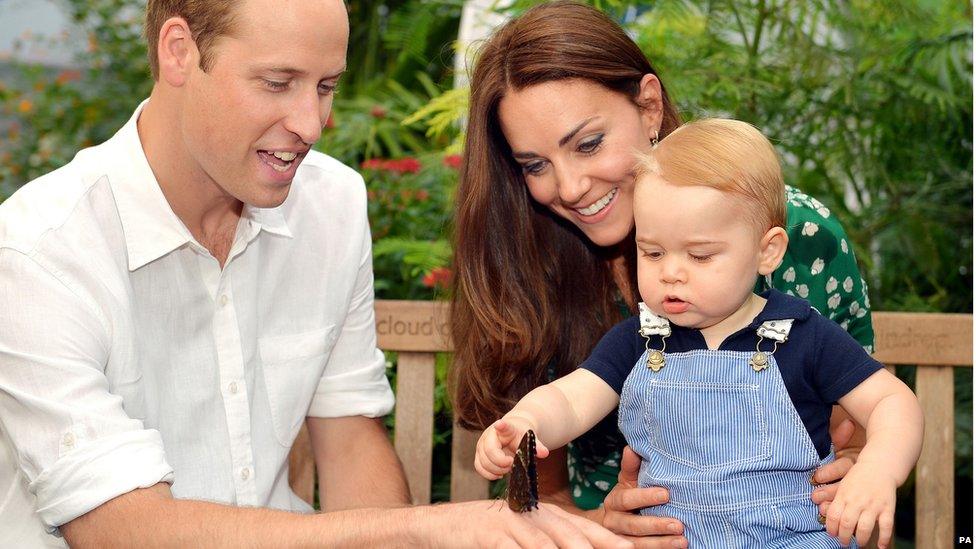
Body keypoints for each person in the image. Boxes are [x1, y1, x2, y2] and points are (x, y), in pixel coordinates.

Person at [0, 1, 630, 547]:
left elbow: (350, 438)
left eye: (326, 86)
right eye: (278, 83)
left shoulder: (330, 203)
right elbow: (116, 529)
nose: (311, 124)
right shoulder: (39, 251)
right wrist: (425, 529)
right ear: (179, 52)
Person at [450, 1, 876, 546]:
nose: (571, 186)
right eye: (535, 165)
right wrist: (608, 527)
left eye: (587, 143)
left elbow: (865, 413)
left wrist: (862, 466)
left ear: (649, 107)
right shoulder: (530, 264)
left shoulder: (792, 233)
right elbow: (537, 498)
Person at [474, 118, 923, 548]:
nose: (671, 273)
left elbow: (891, 401)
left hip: (795, 537)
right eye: (652, 252)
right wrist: (527, 424)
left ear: (768, 252)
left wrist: (878, 470)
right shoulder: (638, 341)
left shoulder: (803, 336)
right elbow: (570, 399)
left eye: (701, 256)